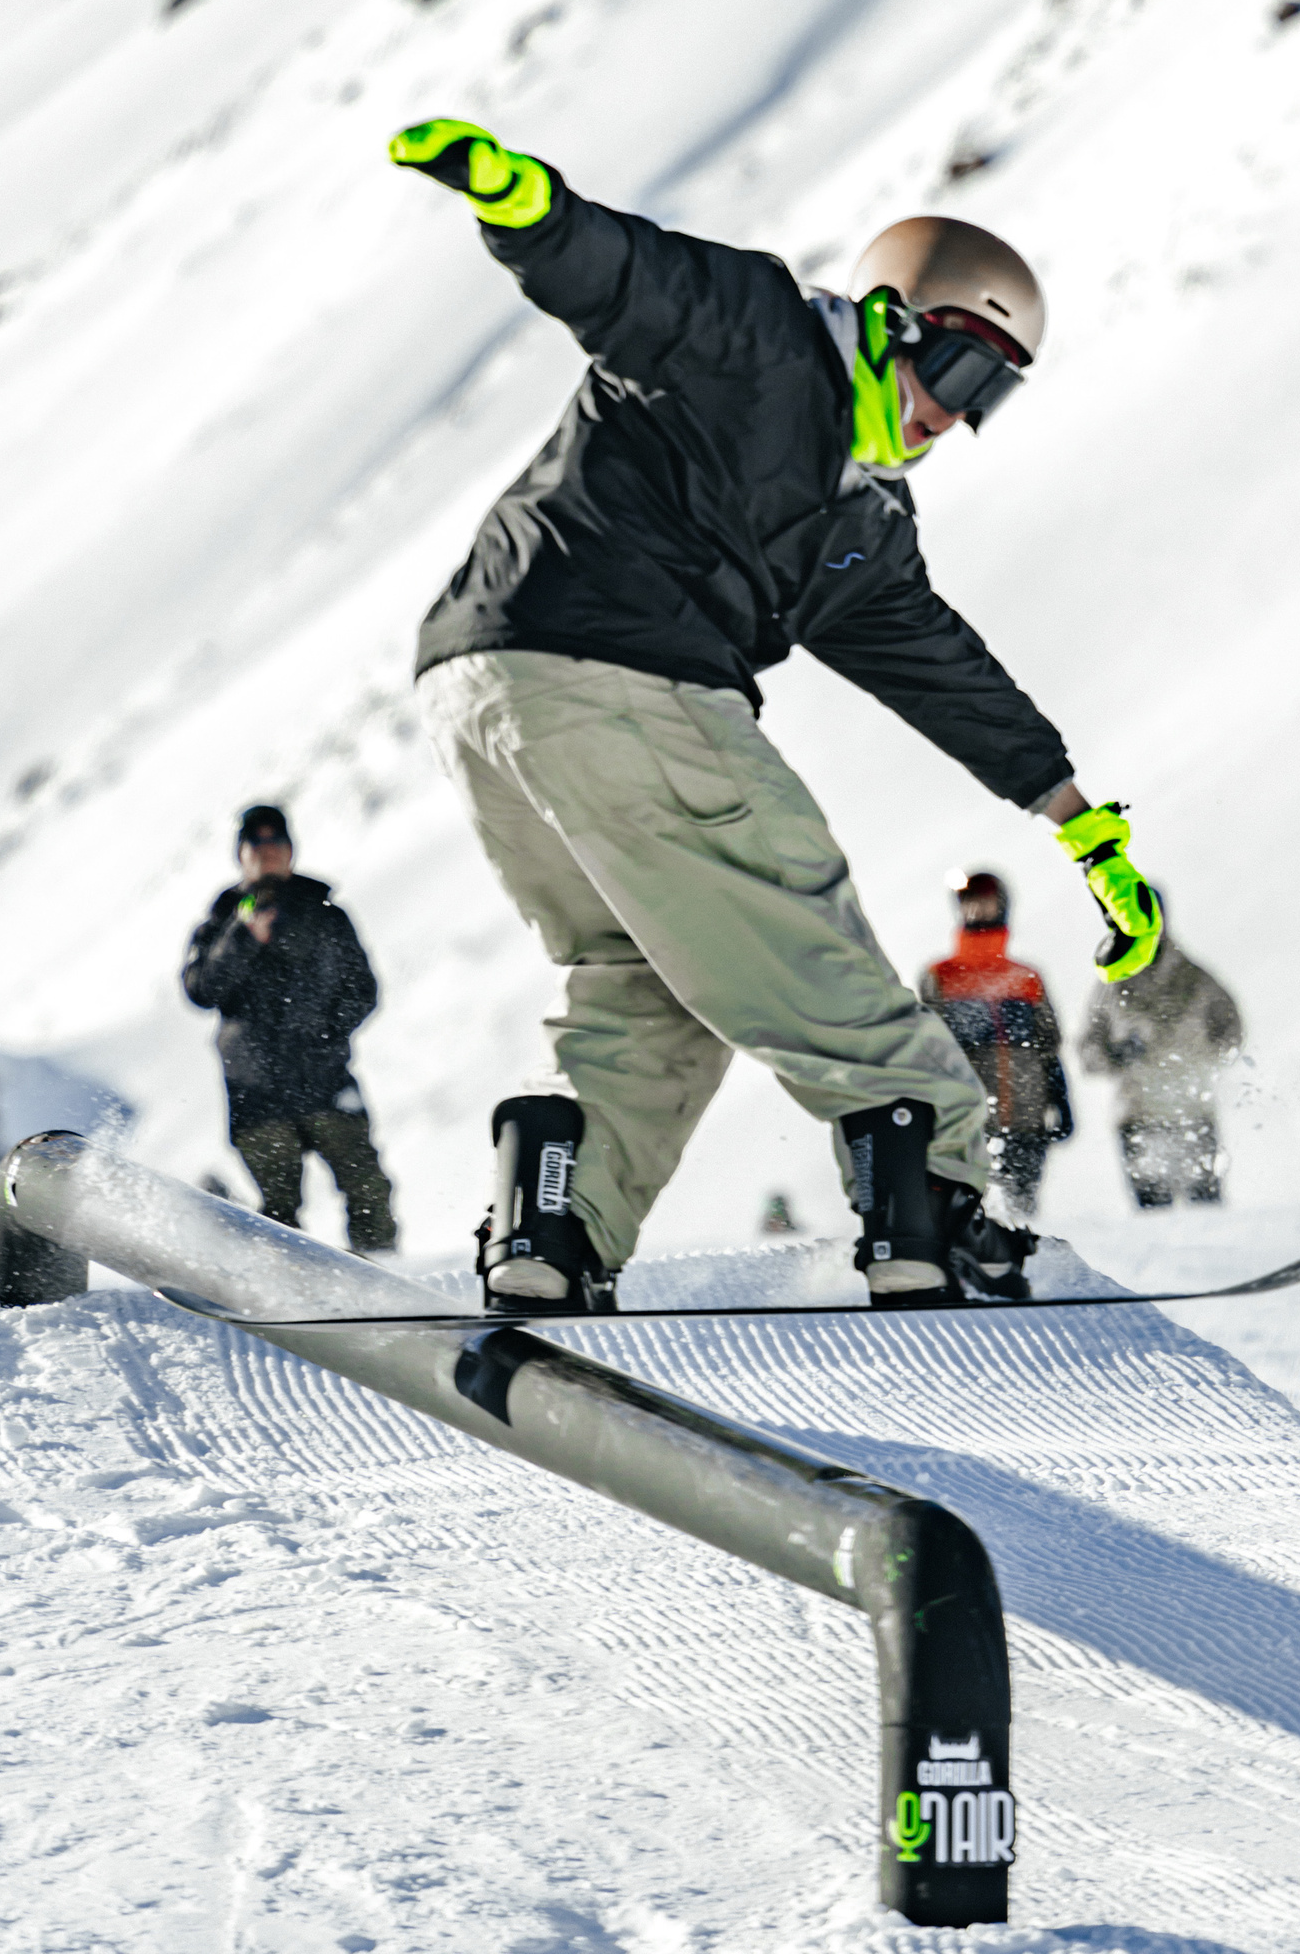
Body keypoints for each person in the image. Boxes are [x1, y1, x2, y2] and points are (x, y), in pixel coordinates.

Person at [389, 119, 1162, 1315]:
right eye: (962, 375)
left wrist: (1079, 823)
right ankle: (933, 1213)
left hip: (482, 693)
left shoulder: (862, 524)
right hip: (615, 670)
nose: (954, 419)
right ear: (893, 320)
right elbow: (624, 277)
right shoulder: (760, 333)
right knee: (798, 911)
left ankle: (553, 1226)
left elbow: (941, 668)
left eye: (991, 399)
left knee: (644, 975)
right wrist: (524, 206)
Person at [181, 805, 397, 1253]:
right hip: (257, 1090)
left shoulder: (324, 912)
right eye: (256, 844)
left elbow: (363, 989)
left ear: (291, 850)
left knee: (368, 1189)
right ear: (240, 854)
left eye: (276, 842)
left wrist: (325, 1033)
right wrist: (244, 937)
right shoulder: (225, 918)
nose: (268, 852)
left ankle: (381, 1275)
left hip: (325, 1079)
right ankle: (284, 1289)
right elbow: (200, 990)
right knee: (278, 1213)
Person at [919, 871, 1071, 1222]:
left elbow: (1049, 1045)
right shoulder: (940, 977)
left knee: (1020, 1217)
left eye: (986, 901)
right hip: (965, 1124)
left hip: (1026, 1118)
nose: (978, 909)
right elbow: (926, 1050)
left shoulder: (1026, 979)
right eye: (970, 902)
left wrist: (1060, 1096)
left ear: (1003, 906)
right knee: (965, 1214)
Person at [1079, 922, 1242, 1209]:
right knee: (1156, 1220)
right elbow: (1087, 1051)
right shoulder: (1112, 985)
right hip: (1140, 1116)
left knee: (1207, 1213)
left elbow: (1232, 1032)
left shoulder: (1197, 978)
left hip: (1193, 1113)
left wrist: (1197, 1058)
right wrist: (1117, 1055)